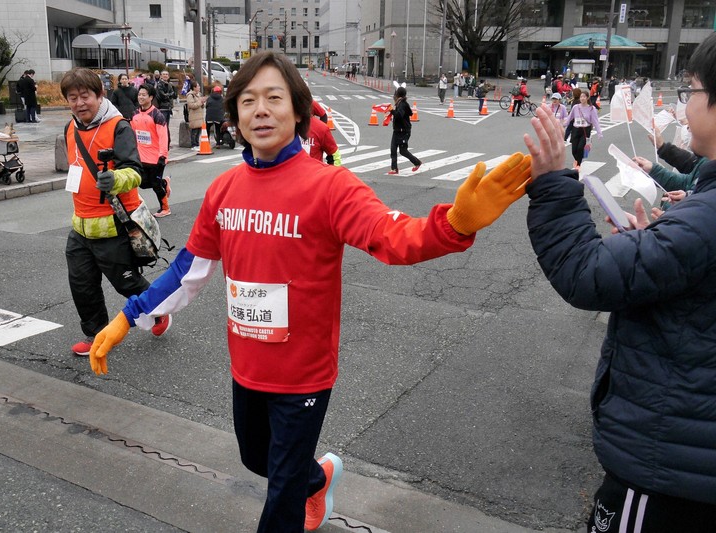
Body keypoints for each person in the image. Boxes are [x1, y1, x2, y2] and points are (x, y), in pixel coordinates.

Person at [88, 51, 532, 533]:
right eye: (249, 100)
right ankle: (317, 480)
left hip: (304, 376)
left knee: (279, 498)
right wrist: (128, 317)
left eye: (274, 98)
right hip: (247, 365)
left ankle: (301, 493)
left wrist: (455, 224)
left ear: (298, 111)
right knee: (259, 459)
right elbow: (188, 271)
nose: (261, 110)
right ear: (235, 113)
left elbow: (392, 236)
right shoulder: (224, 189)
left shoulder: (331, 186)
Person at [523, 33, 716, 533]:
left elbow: (585, 272)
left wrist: (551, 184)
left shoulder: (704, 221)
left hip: (666, 465)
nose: (684, 103)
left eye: (691, 90)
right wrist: (658, 239)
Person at [59, 68, 170, 356]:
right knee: (82, 286)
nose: (80, 103)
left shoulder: (118, 126)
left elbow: (134, 172)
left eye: (85, 96)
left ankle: (158, 312)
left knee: (128, 283)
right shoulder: (70, 128)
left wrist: (116, 179)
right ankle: (96, 334)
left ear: (99, 95)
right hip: (81, 224)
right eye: (73, 98)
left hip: (113, 225)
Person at [132, 84, 171, 218]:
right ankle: (164, 183)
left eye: (144, 95)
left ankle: (165, 208)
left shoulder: (157, 115)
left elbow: (163, 136)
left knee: (155, 185)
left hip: (156, 158)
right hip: (141, 157)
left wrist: (162, 156)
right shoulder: (135, 114)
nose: (141, 97)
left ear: (151, 97)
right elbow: (132, 134)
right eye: (139, 94)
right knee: (142, 184)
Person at [386, 86, 422, 175]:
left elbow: (399, 115)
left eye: (395, 93)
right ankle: (394, 168)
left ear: (398, 95)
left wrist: (392, 111)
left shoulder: (402, 104)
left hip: (403, 131)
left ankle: (417, 162)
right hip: (398, 130)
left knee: (403, 151)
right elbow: (410, 113)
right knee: (393, 149)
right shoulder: (402, 103)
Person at [565, 89, 602, 169]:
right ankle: (577, 160)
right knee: (574, 150)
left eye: (584, 97)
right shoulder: (575, 107)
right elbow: (570, 117)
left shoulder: (592, 109)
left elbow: (595, 121)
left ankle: (578, 164)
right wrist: (564, 124)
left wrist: (599, 133)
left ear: (587, 98)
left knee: (580, 148)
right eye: (581, 97)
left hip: (585, 130)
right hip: (575, 130)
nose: (582, 98)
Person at [154, 70, 176, 150]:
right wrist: (170, 95)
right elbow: (162, 96)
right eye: (163, 74)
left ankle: (167, 143)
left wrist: (171, 93)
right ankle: (163, 144)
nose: (165, 76)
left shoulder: (169, 84)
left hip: (168, 108)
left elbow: (175, 95)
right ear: (160, 75)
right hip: (162, 108)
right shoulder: (159, 84)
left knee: (166, 126)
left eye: (167, 74)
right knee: (162, 127)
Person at [185, 80, 205, 150]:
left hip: (199, 115)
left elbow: (200, 105)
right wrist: (200, 102)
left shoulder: (199, 94)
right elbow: (191, 105)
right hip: (194, 116)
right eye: (198, 86)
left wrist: (203, 103)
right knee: (194, 131)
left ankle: (197, 143)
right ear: (194, 87)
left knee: (199, 130)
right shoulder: (190, 95)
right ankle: (193, 145)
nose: (199, 87)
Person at [205, 85, 226, 149]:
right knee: (218, 129)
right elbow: (224, 107)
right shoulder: (222, 99)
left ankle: (206, 142)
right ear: (220, 92)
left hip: (209, 117)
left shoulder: (209, 98)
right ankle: (218, 144)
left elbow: (206, 106)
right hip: (218, 117)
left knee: (207, 129)